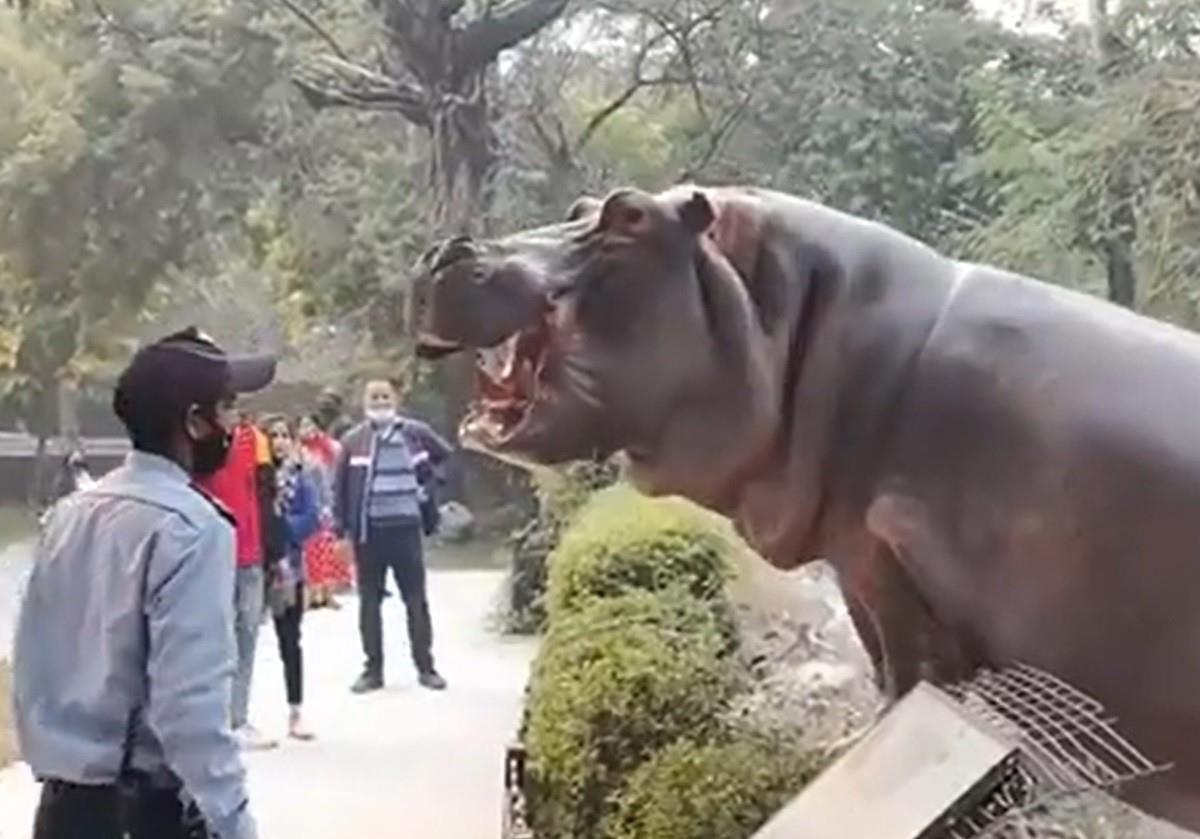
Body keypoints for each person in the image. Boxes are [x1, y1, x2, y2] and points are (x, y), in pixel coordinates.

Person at [12, 326, 274, 839]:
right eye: (227, 409)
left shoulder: (70, 513)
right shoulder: (192, 530)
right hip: (146, 809)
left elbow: (31, 663)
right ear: (195, 422)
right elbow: (190, 714)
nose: (236, 425)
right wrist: (233, 822)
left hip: (64, 808)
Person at [333, 378, 453, 694]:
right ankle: (373, 671)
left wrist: (428, 488)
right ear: (364, 402)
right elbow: (340, 490)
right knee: (369, 601)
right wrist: (341, 533)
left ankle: (426, 668)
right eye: (374, 396)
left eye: (386, 395)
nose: (381, 401)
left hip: (407, 528)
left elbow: (444, 457)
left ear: (396, 399)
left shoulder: (415, 433)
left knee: (415, 599)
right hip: (369, 532)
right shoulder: (353, 441)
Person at [196, 410, 278, 752]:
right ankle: (208, 720)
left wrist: (272, 551)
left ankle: (238, 717)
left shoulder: (254, 441)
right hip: (210, 553)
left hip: (250, 553)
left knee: (246, 638)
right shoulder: (196, 441)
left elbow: (265, 493)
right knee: (212, 641)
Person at [260, 416, 320, 741]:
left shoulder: (301, 477)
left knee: (290, 641)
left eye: (285, 435)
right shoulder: (255, 476)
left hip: (289, 566)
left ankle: (295, 711)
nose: (279, 441)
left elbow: (311, 517)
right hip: (256, 563)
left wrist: (283, 532)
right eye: (273, 435)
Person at [298, 413, 352, 609]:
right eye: (303, 425)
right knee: (310, 552)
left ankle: (327, 593)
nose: (307, 429)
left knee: (325, 552)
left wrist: (332, 504)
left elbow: (334, 478)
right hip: (306, 505)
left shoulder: (331, 449)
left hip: (326, 504)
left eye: (310, 425)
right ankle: (313, 593)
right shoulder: (299, 451)